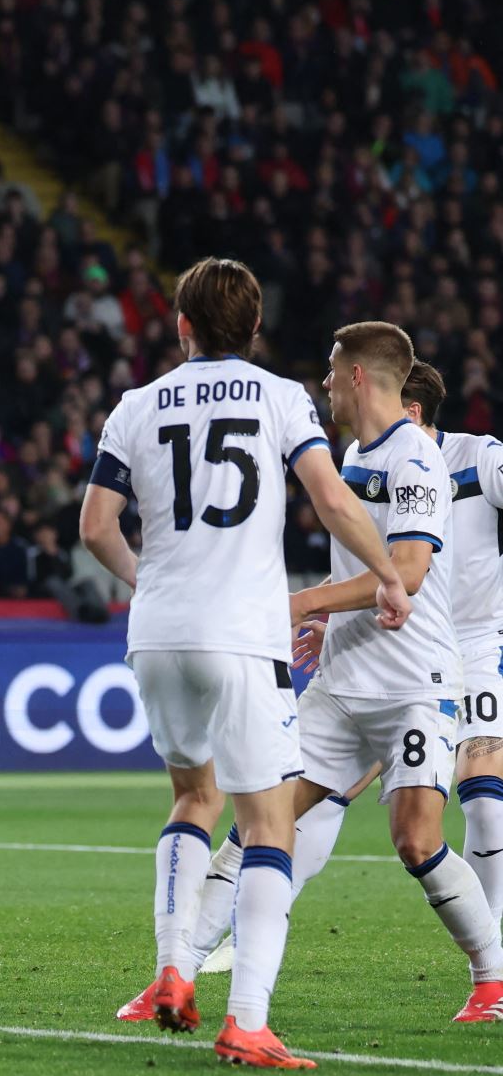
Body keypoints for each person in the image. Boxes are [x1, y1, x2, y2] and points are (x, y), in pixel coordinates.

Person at [82, 260, 412, 1069]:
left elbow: (96, 526)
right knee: (270, 827)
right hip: (242, 633)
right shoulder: (280, 397)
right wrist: (390, 575)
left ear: (181, 324)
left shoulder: (134, 405)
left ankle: (169, 966)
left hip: (157, 633)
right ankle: (248, 1021)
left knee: (192, 799)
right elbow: (331, 498)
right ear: (255, 328)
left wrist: (149, 582)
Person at [184, 359, 503, 1022]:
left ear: (382, 390)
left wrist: (304, 601)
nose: (324, 386)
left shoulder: (447, 459)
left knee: (443, 823)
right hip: (352, 671)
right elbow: (371, 559)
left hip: (443, 664)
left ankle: (492, 972)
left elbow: (408, 570)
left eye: (332, 373)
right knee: (263, 816)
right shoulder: (355, 454)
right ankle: (176, 968)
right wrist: (332, 612)